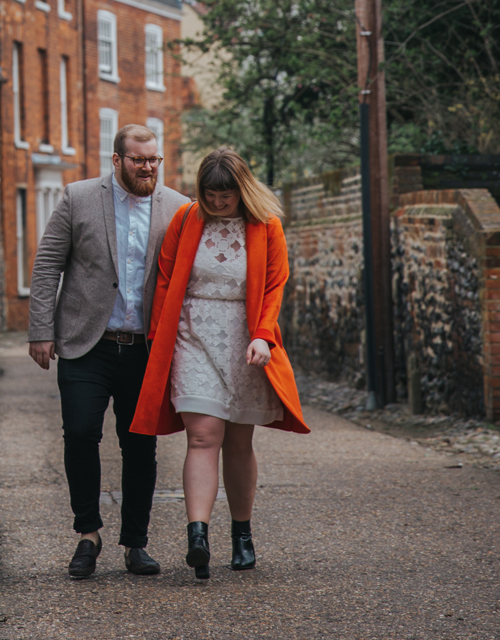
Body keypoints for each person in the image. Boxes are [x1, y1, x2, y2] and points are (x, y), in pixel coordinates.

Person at [131, 146, 309, 580]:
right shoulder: (186, 219)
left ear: (241, 189)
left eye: (225, 194)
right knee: (202, 435)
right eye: (210, 193)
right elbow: (167, 280)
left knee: (238, 441)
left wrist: (264, 336)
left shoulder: (267, 226)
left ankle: (242, 534)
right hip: (192, 336)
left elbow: (274, 285)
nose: (216, 202)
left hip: (244, 340)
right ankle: (198, 535)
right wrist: (159, 341)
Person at [27, 124, 190, 580]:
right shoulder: (78, 197)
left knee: (140, 446)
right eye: (138, 159)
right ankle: (88, 535)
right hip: (86, 343)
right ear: (116, 160)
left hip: (145, 349)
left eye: (153, 159)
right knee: (80, 434)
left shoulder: (178, 207)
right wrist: (41, 330)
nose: (148, 167)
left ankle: (136, 544)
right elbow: (47, 267)